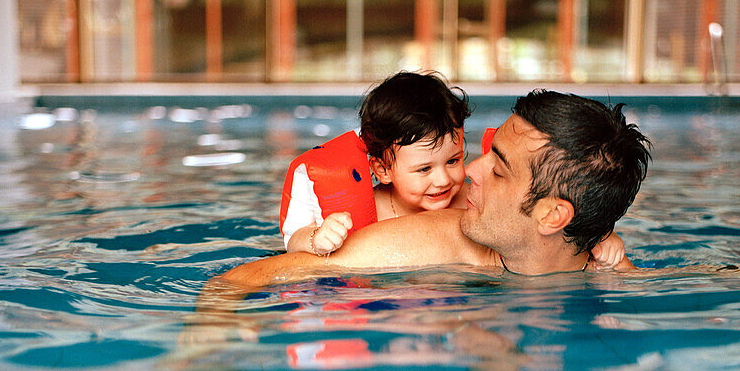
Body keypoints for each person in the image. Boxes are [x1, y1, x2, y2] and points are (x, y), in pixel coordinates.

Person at [216, 89, 651, 290]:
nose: (471, 173)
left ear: (553, 216)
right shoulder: (433, 238)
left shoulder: (610, 274)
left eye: (498, 170)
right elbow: (241, 280)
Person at [281, 72, 626, 268]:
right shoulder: (361, 213)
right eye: (424, 169)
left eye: (453, 160)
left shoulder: (472, 202)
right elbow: (295, 249)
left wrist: (599, 235)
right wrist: (315, 238)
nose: (444, 179)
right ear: (382, 169)